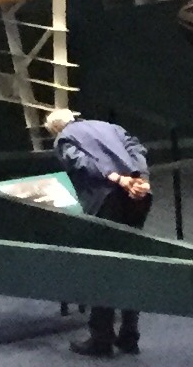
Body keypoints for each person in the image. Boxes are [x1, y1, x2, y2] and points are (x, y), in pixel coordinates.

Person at [43, 105, 153, 356]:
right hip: (138, 197)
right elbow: (136, 148)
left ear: (55, 130)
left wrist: (117, 179)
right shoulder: (110, 126)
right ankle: (129, 335)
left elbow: (82, 163)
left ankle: (101, 338)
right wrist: (140, 179)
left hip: (106, 200)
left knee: (103, 267)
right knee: (131, 263)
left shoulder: (63, 138)